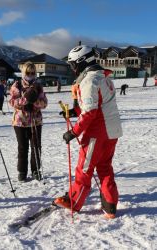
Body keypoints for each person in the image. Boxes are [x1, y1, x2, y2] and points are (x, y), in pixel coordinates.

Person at [54, 45, 123, 219]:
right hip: (111, 131)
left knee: (84, 168)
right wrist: (73, 113)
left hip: (97, 132)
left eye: (72, 64)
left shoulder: (89, 80)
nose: (72, 68)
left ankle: (73, 202)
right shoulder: (103, 78)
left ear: (81, 62)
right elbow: (95, 106)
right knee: (104, 167)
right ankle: (110, 206)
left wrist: (74, 132)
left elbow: (91, 112)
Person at [9, 61, 48, 182]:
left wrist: (35, 101)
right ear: (23, 73)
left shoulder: (38, 86)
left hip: (35, 121)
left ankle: (36, 170)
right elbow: (12, 102)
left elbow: (44, 103)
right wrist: (25, 99)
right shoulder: (17, 85)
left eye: (33, 72)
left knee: (36, 146)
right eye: (28, 72)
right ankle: (22, 171)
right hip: (20, 122)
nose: (30, 75)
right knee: (23, 147)